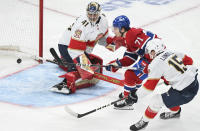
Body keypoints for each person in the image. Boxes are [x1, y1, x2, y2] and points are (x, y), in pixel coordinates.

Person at [129, 39, 199, 131]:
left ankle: (144, 121)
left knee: (156, 101)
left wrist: (136, 95)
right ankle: (176, 113)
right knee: (169, 99)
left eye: (150, 52)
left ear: (154, 51)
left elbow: (149, 88)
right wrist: (175, 76)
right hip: (194, 83)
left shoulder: (155, 64)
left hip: (184, 92)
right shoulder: (172, 52)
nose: (149, 54)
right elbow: (189, 61)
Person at [50, 1, 116, 94]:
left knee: (89, 64)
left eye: (95, 14)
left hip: (81, 46)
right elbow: (74, 50)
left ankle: (65, 61)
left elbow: (102, 38)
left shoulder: (103, 21)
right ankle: (64, 84)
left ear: (99, 13)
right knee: (77, 67)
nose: (92, 17)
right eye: (90, 14)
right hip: (67, 45)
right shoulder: (81, 26)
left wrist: (113, 45)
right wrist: (85, 68)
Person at [105, 15, 163, 109]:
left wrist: (146, 66)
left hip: (156, 59)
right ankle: (133, 92)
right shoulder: (130, 35)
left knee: (130, 74)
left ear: (122, 29)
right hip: (152, 57)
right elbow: (131, 57)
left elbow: (154, 49)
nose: (113, 31)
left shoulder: (133, 36)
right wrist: (117, 63)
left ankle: (128, 99)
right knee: (135, 74)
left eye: (115, 28)